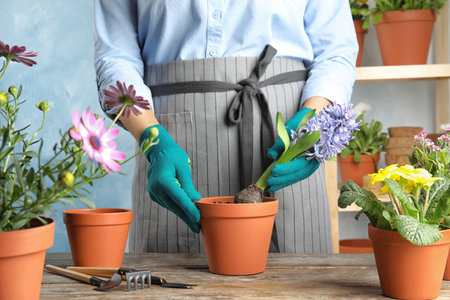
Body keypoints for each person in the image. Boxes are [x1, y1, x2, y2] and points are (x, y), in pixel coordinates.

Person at [93, 0, 358, 253]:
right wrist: (152, 139)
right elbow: (115, 56)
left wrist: (312, 125)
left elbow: (335, 52)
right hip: (169, 133)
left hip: (286, 134)